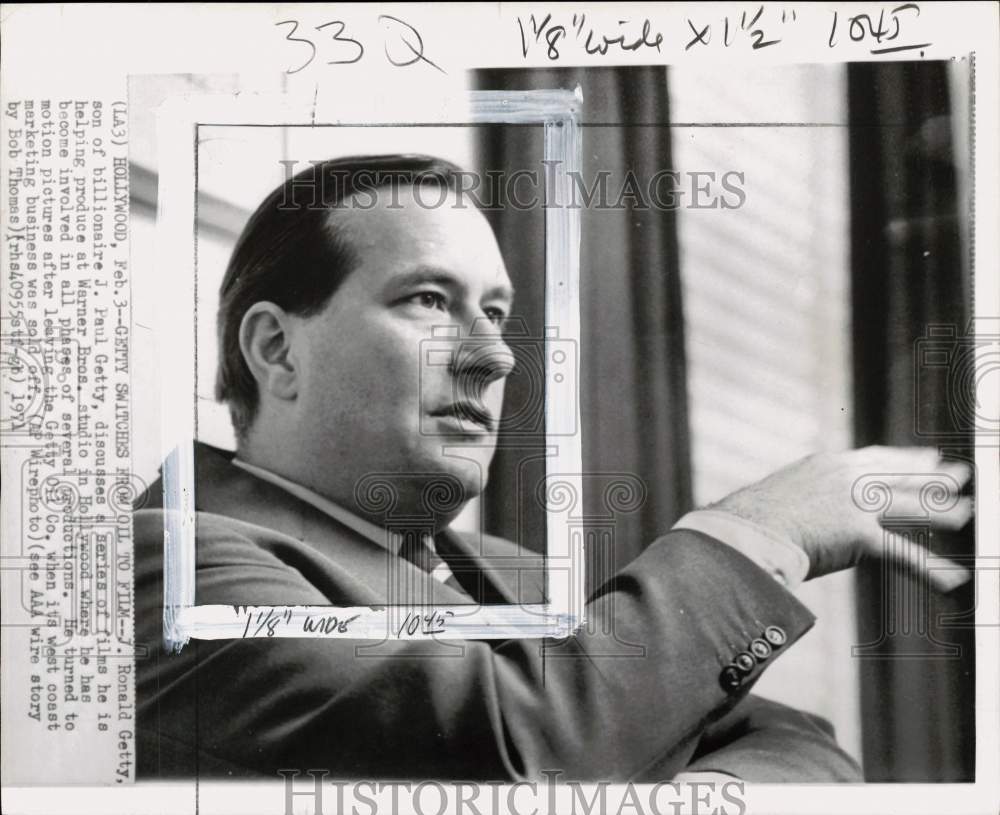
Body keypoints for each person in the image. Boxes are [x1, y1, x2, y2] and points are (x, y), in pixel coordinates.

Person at [134, 155, 972, 781]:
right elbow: (517, 758)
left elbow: (801, 744)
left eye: (494, 311)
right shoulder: (164, 565)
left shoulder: (513, 576)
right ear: (277, 349)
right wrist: (760, 529)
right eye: (428, 299)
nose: (494, 355)